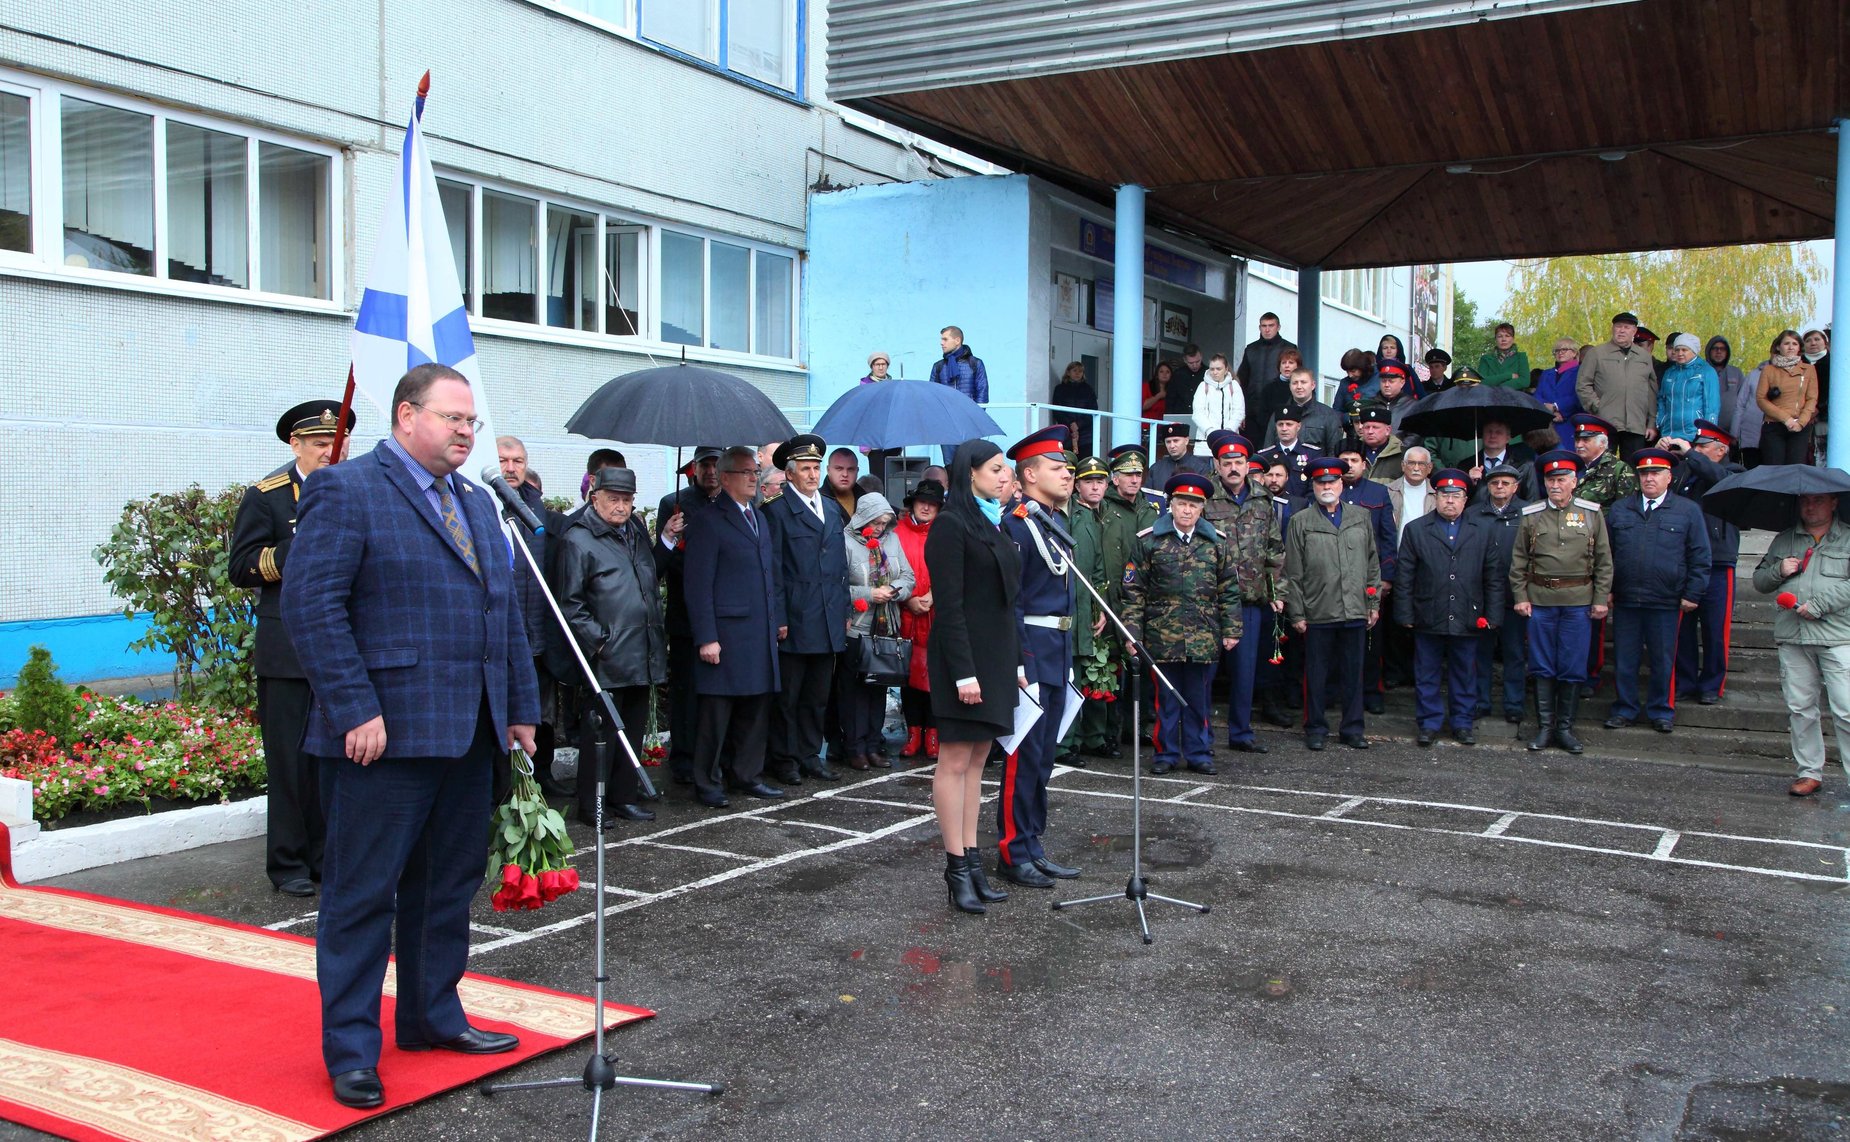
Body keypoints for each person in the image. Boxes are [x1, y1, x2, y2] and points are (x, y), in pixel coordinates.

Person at [281, 364, 539, 1109]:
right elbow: (313, 606)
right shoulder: (346, 490)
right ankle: (352, 1049)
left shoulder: (478, 502)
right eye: (453, 419)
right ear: (404, 417)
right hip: (381, 737)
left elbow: (505, 613)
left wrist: (520, 705)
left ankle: (432, 1015)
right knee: (362, 896)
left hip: (469, 731)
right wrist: (354, 706)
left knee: (447, 887)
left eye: (472, 423)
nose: (466, 432)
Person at [228, 398, 353, 897]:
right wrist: (298, 546)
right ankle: (288, 864)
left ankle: (327, 857)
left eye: (338, 442)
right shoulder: (268, 496)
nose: (331, 451)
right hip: (289, 651)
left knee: (335, 762)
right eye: (321, 443)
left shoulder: (353, 489)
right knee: (289, 762)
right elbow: (241, 567)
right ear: (295, 444)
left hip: (341, 647)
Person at [923, 439, 1019, 913]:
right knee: (955, 762)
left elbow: (1007, 603)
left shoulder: (995, 522)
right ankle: (955, 868)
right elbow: (951, 605)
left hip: (996, 659)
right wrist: (963, 673)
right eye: (997, 469)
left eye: (1007, 470)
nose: (1006, 477)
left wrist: (1015, 663)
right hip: (963, 663)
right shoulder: (950, 525)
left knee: (979, 763)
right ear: (970, 474)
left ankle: (973, 862)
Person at [554, 467, 666, 827]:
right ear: (595, 497)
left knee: (631, 729)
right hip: (605, 655)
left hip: (640, 647)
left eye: (627, 500)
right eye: (614, 499)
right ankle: (593, 805)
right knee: (600, 735)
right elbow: (569, 603)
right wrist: (600, 642)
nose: (621, 507)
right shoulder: (578, 539)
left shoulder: (633, 532)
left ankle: (624, 797)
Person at [996, 426, 1083, 889]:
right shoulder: (1015, 525)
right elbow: (1012, 602)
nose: (1067, 474)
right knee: (1022, 756)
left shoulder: (1055, 522)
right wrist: (1020, 662)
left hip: (1057, 649)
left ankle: (1032, 842)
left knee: (1044, 756)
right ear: (1028, 475)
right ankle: (1011, 850)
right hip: (1031, 652)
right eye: (1056, 467)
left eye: (1066, 467)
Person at [684, 446, 785, 808]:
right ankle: (707, 781)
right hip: (726, 633)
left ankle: (747, 774)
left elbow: (768, 572)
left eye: (755, 472)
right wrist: (707, 636)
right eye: (746, 472)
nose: (753, 478)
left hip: (758, 630)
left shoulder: (758, 517)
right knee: (717, 712)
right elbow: (697, 585)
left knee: (755, 707)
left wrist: (779, 618)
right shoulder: (709, 520)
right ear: (725, 477)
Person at [1123, 472, 1241, 775]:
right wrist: (1132, 634)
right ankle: (1166, 753)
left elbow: (1228, 588)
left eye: (1194, 505)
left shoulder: (1215, 542)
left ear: (1202, 508)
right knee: (1166, 699)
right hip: (1163, 635)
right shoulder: (1150, 542)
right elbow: (1134, 591)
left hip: (1203, 635)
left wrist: (1231, 630)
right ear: (1170, 505)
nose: (1187, 511)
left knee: (1198, 698)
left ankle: (1199, 752)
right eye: (1181, 504)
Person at [1600, 449, 1711, 734]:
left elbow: (1700, 556)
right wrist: (1608, 589)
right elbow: (1607, 554)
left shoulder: (1687, 511)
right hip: (1627, 598)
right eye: (1644, 473)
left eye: (1655, 473)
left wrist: (1693, 593)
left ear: (1669, 477)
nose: (1649, 478)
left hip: (1666, 599)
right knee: (1625, 660)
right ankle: (1625, 708)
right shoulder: (1622, 509)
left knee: (1663, 661)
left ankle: (1662, 711)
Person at [1509, 450, 1613, 754]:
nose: (1555, 485)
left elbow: (1604, 561)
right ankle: (1544, 728)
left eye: (1561, 479)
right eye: (1550, 480)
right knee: (1542, 665)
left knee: (1573, 664)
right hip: (1540, 600)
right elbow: (1518, 560)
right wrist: (1520, 596)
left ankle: (1565, 728)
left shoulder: (1592, 513)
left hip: (1579, 601)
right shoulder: (1532, 514)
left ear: (1574, 481)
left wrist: (1600, 598)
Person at [1394, 468, 1505, 746]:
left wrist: (1492, 615)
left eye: (1456, 495)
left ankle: (1462, 723)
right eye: (1444, 495)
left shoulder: (1482, 530)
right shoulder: (1416, 529)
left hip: (1468, 614)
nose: (1450, 501)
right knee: (1427, 672)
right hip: (1428, 613)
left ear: (1466, 499)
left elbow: (1493, 577)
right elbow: (1405, 576)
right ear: (1436, 497)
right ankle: (1429, 723)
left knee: (1465, 673)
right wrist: (1405, 613)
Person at [762, 434, 850, 785]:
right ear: (790, 473)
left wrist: (843, 609)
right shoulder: (777, 512)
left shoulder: (830, 508)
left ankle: (810, 754)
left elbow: (839, 566)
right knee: (789, 696)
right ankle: (784, 759)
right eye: (806, 469)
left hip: (827, 616)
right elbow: (775, 570)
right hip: (797, 617)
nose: (813, 475)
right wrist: (780, 617)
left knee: (817, 695)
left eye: (816, 468)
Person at [1753, 491, 1850, 798]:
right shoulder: (1784, 540)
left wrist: (1820, 604)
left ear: (1834, 503)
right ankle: (1809, 772)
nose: (1810, 506)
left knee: (1847, 710)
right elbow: (1759, 581)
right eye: (1806, 500)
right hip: (1793, 635)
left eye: (1819, 500)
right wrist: (1778, 571)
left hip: (1837, 636)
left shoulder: (1848, 538)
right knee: (1800, 709)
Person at [1283, 456, 1381, 751]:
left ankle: (1353, 728)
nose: (1327, 486)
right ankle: (1315, 727)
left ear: (1341, 484)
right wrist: (1297, 612)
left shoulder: (1360, 517)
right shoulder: (1301, 521)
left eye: (1332, 481)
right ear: (1313, 486)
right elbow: (1293, 571)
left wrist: (1372, 603)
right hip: (1318, 610)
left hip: (1354, 608)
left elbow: (1372, 563)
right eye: (1321, 482)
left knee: (1354, 673)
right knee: (1316, 674)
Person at [1201, 431, 1283, 754]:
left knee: (1245, 673)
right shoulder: (1205, 495)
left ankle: (1241, 732)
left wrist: (1278, 591)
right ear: (1217, 465)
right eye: (1227, 462)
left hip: (1250, 598)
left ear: (1248, 465)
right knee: (1205, 673)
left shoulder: (1262, 497)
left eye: (1239, 462)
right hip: (1211, 600)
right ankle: (1200, 735)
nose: (1233, 468)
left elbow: (1274, 550)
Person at [1660, 421, 1743, 704]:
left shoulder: (1733, 472)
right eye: (1694, 446)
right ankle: (1685, 681)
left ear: (1720, 450)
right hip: (1685, 560)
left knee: (1715, 629)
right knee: (1683, 629)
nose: (1694, 450)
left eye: (1701, 447)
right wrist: (1666, 457)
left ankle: (1711, 685)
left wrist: (1691, 456)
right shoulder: (1686, 469)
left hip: (1719, 561)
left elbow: (1720, 480)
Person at [655, 447, 721, 784]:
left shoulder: (732, 503)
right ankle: (683, 758)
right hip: (685, 614)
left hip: (723, 614)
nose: (711, 471)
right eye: (704, 465)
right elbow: (668, 563)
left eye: (715, 465)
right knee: (686, 690)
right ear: (693, 468)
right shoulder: (675, 503)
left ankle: (714, 758)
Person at [839, 492, 914, 771]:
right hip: (857, 628)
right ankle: (854, 747)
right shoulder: (845, 542)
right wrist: (870, 593)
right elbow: (838, 584)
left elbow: (908, 576)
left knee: (879, 688)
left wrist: (895, 591)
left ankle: (873, 744)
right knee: (855, 691)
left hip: (886, 626)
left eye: (885, 523)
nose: (880, 528)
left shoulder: (892, 540)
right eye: (876, 522)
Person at [1339, 438, 1402, 706]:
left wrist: (1387, 577)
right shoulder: (1328, 491)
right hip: (1335, 577)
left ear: (1364, 465)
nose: (1349, 466)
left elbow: (1388, 537)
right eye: (1344, 461)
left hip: (1369, 577)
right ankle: (1337, 691)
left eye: (1354, 460)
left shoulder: (1378, 493)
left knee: (1371, 638)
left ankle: (1371, 692)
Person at [1063, 457, 1116, 759]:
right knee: (1071, 677)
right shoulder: (1070, 515)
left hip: (1091, 613)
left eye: (1100, 481)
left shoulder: (1098, 516)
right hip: (1070, 612)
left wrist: (1102, 609)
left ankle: (1091, 738)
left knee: (1095, 675)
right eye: (1088, 481)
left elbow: (1097, 572)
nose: (1095, 486)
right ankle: (1065, 743)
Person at [1473, 463, 1531, 724]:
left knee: (1515, 653)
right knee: (1480, 654)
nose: (1499, 487)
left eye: (1505, 483)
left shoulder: (1528, 513)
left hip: (1513, 596)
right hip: (1482, 596)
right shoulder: (1473, 513)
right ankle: (1480, 702)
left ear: (1515, 487)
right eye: (1494, 483)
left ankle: (1514, 705)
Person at [893, 479, 943, 761]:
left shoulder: (945, 532)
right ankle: (913, 733)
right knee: (908, 675)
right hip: (906, 613)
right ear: (912, 503)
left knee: (936, 675)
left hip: (937, 615)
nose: (926, 506)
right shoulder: (896, 533)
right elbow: (887, 570)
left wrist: (935, 595)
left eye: (933, 503)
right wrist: (908, 597)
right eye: (922, 501)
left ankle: (933, 732)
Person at [1576, 312, 1661, 459]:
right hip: (1605, 423)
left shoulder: (1644, 357)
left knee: (1632, 471)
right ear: (1612, 329)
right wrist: (1597, 407)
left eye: (1626, 327)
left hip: (1636, 424)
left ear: (1634, 331)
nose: (1621, 330)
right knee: (1602, 468)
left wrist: (1652, 422)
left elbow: (1651, 392)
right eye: (1618, 326)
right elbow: (1583, 384)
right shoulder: (1597, 353)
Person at [1754, 329, 1820, 466]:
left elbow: (1812, 398)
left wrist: (1800, 422)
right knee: (1773, 468)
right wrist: (1786, 419)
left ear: (1799, 348)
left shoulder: (1809, 369)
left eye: (1795, 344)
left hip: (1799, 427)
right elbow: (1761, 399)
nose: (1791, 347)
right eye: (1786, 343)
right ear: (1778, 346)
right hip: (1773, 425)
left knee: (1794, 468)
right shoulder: (1769, 370)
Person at [1657, 333, 1719, 443]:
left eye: (1684, 350)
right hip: (1668, 435)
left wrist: (1707, 435)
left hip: (1695, 435)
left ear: (1694, 351)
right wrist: (1660, 421)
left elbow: (1712, 405)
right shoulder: (1669, 373)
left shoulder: (1706, 371)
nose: (1679, 353)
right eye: (1677, 350)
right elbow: (1661, 399)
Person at [1237, 314, 1297, 418]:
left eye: (1271, 325)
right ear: (1259, 328)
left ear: (1278, 327)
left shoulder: (1289, 348)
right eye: (1264, 326)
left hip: (1280, 408)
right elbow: (1242, 381)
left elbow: (1299, 377)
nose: (1267, 329)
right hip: (1252, 410)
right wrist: (1242, 410)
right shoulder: (1250, 349)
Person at [1254, 405, 1316, 498]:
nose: (1284, 429)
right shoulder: (1264, 455)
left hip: (1302, 509)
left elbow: (1314, 488)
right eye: (1280, 424)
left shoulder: (1312, 455)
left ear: (1298, 426)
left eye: (1289, 424)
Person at [1190, 351, 1246, 451]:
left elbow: (1239, 412)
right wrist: (1211, 431)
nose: (1215, 372)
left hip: (1230, 441)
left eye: (1218, 369)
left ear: (1226, 370)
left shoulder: (1234, 386)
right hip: (1204, 444)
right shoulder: (1203, 386)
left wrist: (1228, 432)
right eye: (1212, 369)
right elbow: (1198, 413)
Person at [1050, 360, 1099, 458]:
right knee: (1068, 462)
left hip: (1086, 435)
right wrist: (1071, 424)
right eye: (1075, 370)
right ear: (1068, 372)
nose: (1077, 373)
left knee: (1085, 463)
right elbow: (1057, 410)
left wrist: (1078, 424)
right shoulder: (1060, 389)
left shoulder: (1088, 389)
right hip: (1066, 433)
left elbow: (1093, 410)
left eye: (1080, 371)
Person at [929, 325, 988, 403]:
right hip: (946, 413)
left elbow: (982, 392)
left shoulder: (975, 363)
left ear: (957, 341)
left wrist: (975, 413)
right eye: (942, 340)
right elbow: (932, 394)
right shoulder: (938, 366)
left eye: (945, 339)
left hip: (968, 413)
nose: (941, 343)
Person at [1387, 446, 1436, 540]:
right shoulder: (1388, 491)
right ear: (1403, 465)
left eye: (1421, 464)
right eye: (1411, 463)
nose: (1416, 468)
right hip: (1397, 549)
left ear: (1429, 467)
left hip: (1428, 549)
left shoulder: (1438, 493)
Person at [1534, 338, 1583, 426]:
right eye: (1557, 350)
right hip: (1547, 422)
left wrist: (1556, 406)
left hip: (1571, 423)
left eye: (1564, 349)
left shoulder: (1581, 372)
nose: (1560, 352)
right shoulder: (1546, 373)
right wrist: (1548, 410)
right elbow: (1537, 395)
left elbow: (1579, 396)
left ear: (1574, 353)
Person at [1707, 336, 1747, 440]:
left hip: (1730, 432)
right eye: (1715, 348)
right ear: (1709, 351)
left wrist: (1737, 431)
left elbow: (1742, 402)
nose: (1719, 352)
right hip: (1706, 430)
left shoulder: (1736, 373)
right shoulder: (1702, 372)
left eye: (1722, 349)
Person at [1149, 422, 1212, 487]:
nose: (1172, 446)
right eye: (1168, 442)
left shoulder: (1201, 468)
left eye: (1176, 441)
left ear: (1186, 441)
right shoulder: (1156, 469)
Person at [1354, 405, 1404, 482]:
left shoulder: (1401, 454)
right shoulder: (1353, 451)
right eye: (1367, 427)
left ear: (1388, 430)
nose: (1370, 432)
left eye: (1375, 427)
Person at [1477, 322, 1531, 391]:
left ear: (1513, 339)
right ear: (1495, 339)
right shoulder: (1486, 359)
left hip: (1515, 398)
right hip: (1489, 398)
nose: (1504, 339)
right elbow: (1482, 382)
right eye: (1500, 336)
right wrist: (1509, 376)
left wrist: (1497, 387)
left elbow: (1525, 381)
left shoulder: (1521, 357)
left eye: (1507, 336)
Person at [1168, 343, 1207, 420]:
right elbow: (1170, 400)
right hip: (1180, 418)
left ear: (1201, 356)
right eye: (1191, 363)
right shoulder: (1178, 374)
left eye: (1197, 361)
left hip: (1203, 418)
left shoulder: (1208, 374)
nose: (1195, 365)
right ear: (1185, 360)